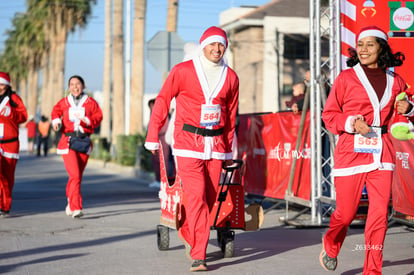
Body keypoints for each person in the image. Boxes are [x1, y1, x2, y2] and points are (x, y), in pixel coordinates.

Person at [145, 26, 239, 272]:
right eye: (212, 44)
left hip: (216, 146)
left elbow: (230, 116)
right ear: (203, 45)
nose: (217, 49)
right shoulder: (183, 71)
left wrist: (229, 152)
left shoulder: (231, 77)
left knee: (208, 200)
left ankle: (189, 231)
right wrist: (153, 134)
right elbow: (163, 100)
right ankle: (199, 255)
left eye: (221, 45)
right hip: (188, 144)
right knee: (197, 197)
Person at [320, 26, 413, 274]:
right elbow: (329, 116)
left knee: (379, 215)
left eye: (370, 45)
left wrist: (409, 109)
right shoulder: (346, 78)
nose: (363, 49)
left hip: (383, 154)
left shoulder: (396, 81)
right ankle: (331, 243)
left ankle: (372, 270)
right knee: (346, 213)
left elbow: (404, 111)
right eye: (360, 45)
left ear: (382, 48)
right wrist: (351, 123)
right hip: (351, 153)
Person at [51, 75, 103, 218]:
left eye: (78, 84)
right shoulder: (64, 102)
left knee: (77, 176)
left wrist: (87, 120)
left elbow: (99, 117)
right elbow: (55, 112)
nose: (75, 87)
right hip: (68, 142)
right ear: (69, 87)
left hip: (84, 142)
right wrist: (56, 121)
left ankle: (70, 199)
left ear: (83, 85)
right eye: (72, 84)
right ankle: (76, 207)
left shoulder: (91, 103)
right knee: (74, 174)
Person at [0, 72, 28, 216]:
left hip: (10, 143)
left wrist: (11, 113)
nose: (0, 86)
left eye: (2, 83)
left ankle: (5, 205)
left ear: (7, 84)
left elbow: (24, 116)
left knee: (8, 176)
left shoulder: (14, 98)